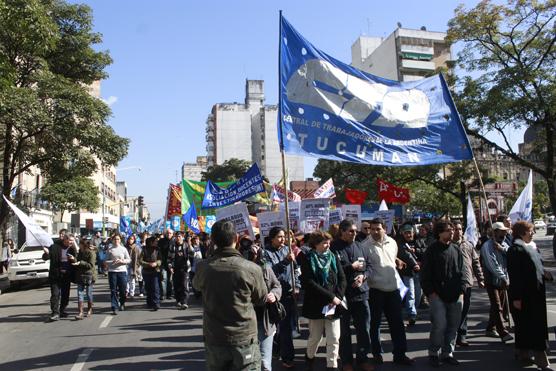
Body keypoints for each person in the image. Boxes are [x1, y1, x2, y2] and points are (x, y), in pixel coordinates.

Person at [193, 220, 267, 371]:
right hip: (244, 337)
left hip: (215, 337)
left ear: (212, 241)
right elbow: (261, 298)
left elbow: (196, 286)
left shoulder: (203, 267)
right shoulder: (251, 268)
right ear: (236, 239)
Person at [360, 218, 414, 366]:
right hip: (374, 291)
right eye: (372, 229)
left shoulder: (392, 242)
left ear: (385, 229)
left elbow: (391, 259)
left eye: (378, 229)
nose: (375, 231)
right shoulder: (364, 246)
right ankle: (377, 353)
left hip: (393, 289)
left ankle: (400, 354)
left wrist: (397, 261)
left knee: (397, 324)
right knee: (375, 324)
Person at [421, 221, 467, 367]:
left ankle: (448, 353)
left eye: (452, 229)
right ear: (439, 233)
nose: (452, 232)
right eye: (448, 230)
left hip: (456, 295)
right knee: (440, 325)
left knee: (453, 326)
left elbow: (462, 271)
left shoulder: (456, 249)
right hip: (437, 295)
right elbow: (425, 274)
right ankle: (433, 353)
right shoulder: (432, 250)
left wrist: (462, 290)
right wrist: (431, 293)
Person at [508, 221, 552, 370]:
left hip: (537, 293)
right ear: (521, 233)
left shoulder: (533, 248)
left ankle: (524, 352)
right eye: (530, 231)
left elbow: (537, 269)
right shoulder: (515, 250)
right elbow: (515, 276)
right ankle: (539, 359)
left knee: (537, 325)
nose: (533, 233)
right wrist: (516, 298)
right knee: (526, 325)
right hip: (524, 295)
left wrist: (546, 275)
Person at [330, 219, 374, 371]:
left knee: (364, 328)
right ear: (342, 231)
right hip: (343, 295)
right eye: (351, 231)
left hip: (361, 294)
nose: (354, 234)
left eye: (355, 231)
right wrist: (351, 267)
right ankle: (347, 361)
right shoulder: (333, 248)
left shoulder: (360, 246)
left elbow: (369, 266)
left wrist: (363, 276)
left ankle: (363, 358)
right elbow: (334, 269)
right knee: (344, 331)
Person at [301, 230, 347, 371]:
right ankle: (309, 356)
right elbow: (309, 283)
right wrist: (330, 297)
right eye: (324, 243)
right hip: (316, 305)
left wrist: (338, 297)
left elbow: (342, 278)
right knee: (315, 337)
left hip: (333, 305)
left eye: (328, 242)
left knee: (334, 338)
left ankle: (331, 365)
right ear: (315, 244)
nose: (327, 245)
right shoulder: (307, 258)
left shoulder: (333, 257)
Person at [240, 235, 282, 371]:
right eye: (250, 252)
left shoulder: (266, 268)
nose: (254, 253)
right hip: (243, 322)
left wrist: (274, 295)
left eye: (256, 250)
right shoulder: (237, 270)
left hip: (264, 320)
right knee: (248, 362)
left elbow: (277, 285)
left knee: (264, 362)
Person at [262, 226, 300, 369]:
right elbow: (268, 273)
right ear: (272, 239)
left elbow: (296, 270)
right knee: (277, 327)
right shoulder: (265, 253)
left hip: (289, 294)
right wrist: (284, 262)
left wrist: (297, 285)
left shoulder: (287, 250)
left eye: (284, 236)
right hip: (275, 295)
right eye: (279, 237)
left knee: (286, 328)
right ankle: (282, 352)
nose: (283, 239)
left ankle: (287, 357)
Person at [452, 221, 484, 347]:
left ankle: (462, 335)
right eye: (456, 229)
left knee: (465, 310)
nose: (458, 231)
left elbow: (475, 262)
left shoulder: (468, 245)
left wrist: (480, 278)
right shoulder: (448, 245)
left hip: (467, 281)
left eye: (460, 229)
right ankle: (451, 335)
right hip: (453, 283)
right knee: (454, 310)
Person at [480, 222, 513, 342]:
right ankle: (503, 332)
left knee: (499, 306)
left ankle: (490, 327)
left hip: (503, 281)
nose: (504, 233)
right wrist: (503, 277)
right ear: (494, 232)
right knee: (497, 306)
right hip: (493, 281)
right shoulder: (487, 246)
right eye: (501, 231)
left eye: (505, 231)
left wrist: (502, 249)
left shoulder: (504, 244)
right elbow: (492, 264)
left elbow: (511, 255)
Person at [42, 234, 78, 322]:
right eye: (70, 241)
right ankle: (55, 313)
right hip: (55, 275)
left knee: (65, 295)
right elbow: (45, 258)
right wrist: (46, 253)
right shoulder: (54, 247)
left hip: (67, 275)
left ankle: (62, 310)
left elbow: (76, 261)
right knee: (55, 294)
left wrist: (73, 259)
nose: (71, 242)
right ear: (65, 239)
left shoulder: (72, 249)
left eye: (72, 241)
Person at [396, 223, 421, 327]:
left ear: (413, 233)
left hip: (419, 273)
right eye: (406, 233)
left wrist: (418, 251)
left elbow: (425, 251)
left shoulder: (418, 241)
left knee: (418, 294)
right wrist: (414, 264)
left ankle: (414, 310)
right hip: (408, 273)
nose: (408, 235)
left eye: (410, 233)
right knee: (411, 294)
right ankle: (412, 314)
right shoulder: (400, 243)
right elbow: (406, 255)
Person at [105, 234, 131, 315]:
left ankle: (122, 303)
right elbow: (106, 261)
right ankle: (114, 307)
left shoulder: (123, 249)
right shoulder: (110, 249)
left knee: (123, 289)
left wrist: (122, 261)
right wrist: (112, 262)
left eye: (118, 239)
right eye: (115, 239)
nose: (116, 241)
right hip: (112, 272)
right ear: (112, 240)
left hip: (122, 271)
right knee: (113, 290)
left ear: (120, 240)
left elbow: (129, 260)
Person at [168, 232, 194, 309]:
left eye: (179, 236)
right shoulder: (172, 246)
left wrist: (190, 245)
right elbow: (169, 258)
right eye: (176, 236)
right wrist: (170, 267)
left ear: (182, 237)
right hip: (175, 268)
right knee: (176, 285)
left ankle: (184, 302)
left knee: (184, 285)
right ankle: (178, 300)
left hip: (185, 268)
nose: (178, 238)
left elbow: (192, 255)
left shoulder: (186, 245)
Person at [73, 239, 97, 320]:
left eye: (80, 244)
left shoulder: (90, 252)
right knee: (80, 294)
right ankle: (80, 312)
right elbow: (77, 260)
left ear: (83, 244)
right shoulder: (79, 251)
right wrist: (73, 259)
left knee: (88, 294)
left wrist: (80, 263)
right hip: (80, 275)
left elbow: (90, 265)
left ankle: (90, 309)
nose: (79, 245)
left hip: (88, 275)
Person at [140, 236, 161, 311]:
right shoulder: (144, 249)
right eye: (155, 241)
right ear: (151, 242)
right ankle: (149, 302)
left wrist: (156, 263)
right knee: (148, 288)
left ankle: (156, 303)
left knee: (155, 287)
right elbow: (140, 261)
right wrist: (148, 264)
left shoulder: (158, 249)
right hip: (146, 271)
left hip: (155, 271)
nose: (156, 242)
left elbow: (160, 260)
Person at [158, 228, 175, 301]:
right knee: (163, 279)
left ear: (172, 234)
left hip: (171, 264)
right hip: (163, 263)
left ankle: (169, 294)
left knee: (170, 280)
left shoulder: (174, 241)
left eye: (170, 233)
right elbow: (158, 251)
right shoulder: (161, 241)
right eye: (167, 233)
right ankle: (163, 294)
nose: (169, 234)